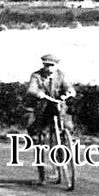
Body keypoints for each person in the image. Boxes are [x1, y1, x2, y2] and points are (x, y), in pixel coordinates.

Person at [26, 53, 76, 183]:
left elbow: (69, 87)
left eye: (51, 65)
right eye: (46, 65)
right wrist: (38, 93)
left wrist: (69, 93)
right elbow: (31, 89)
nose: (49, 68)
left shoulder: (61, 75)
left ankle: (66, 142)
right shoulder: (36, 75)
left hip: (58, 107)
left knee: (67, 127)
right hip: (43, 109)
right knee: (38, 138)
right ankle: (41, 176)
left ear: (56, 66)